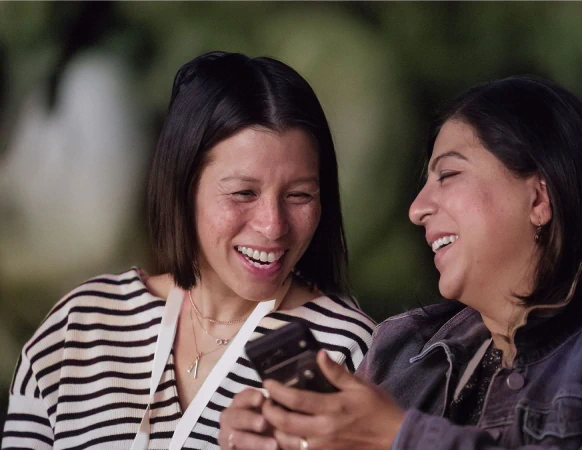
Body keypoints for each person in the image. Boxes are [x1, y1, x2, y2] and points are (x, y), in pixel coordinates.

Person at [218, 76, 582, 450]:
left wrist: (398, 437)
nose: (417, 208)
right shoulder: (404, 349)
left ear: (539, 198)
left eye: (448, 175)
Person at [2, 51, 375, 449]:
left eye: (299, 195)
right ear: (183, 188)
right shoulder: (81, 326)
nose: (273, 225)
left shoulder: (346, 351)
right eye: (243, 193)